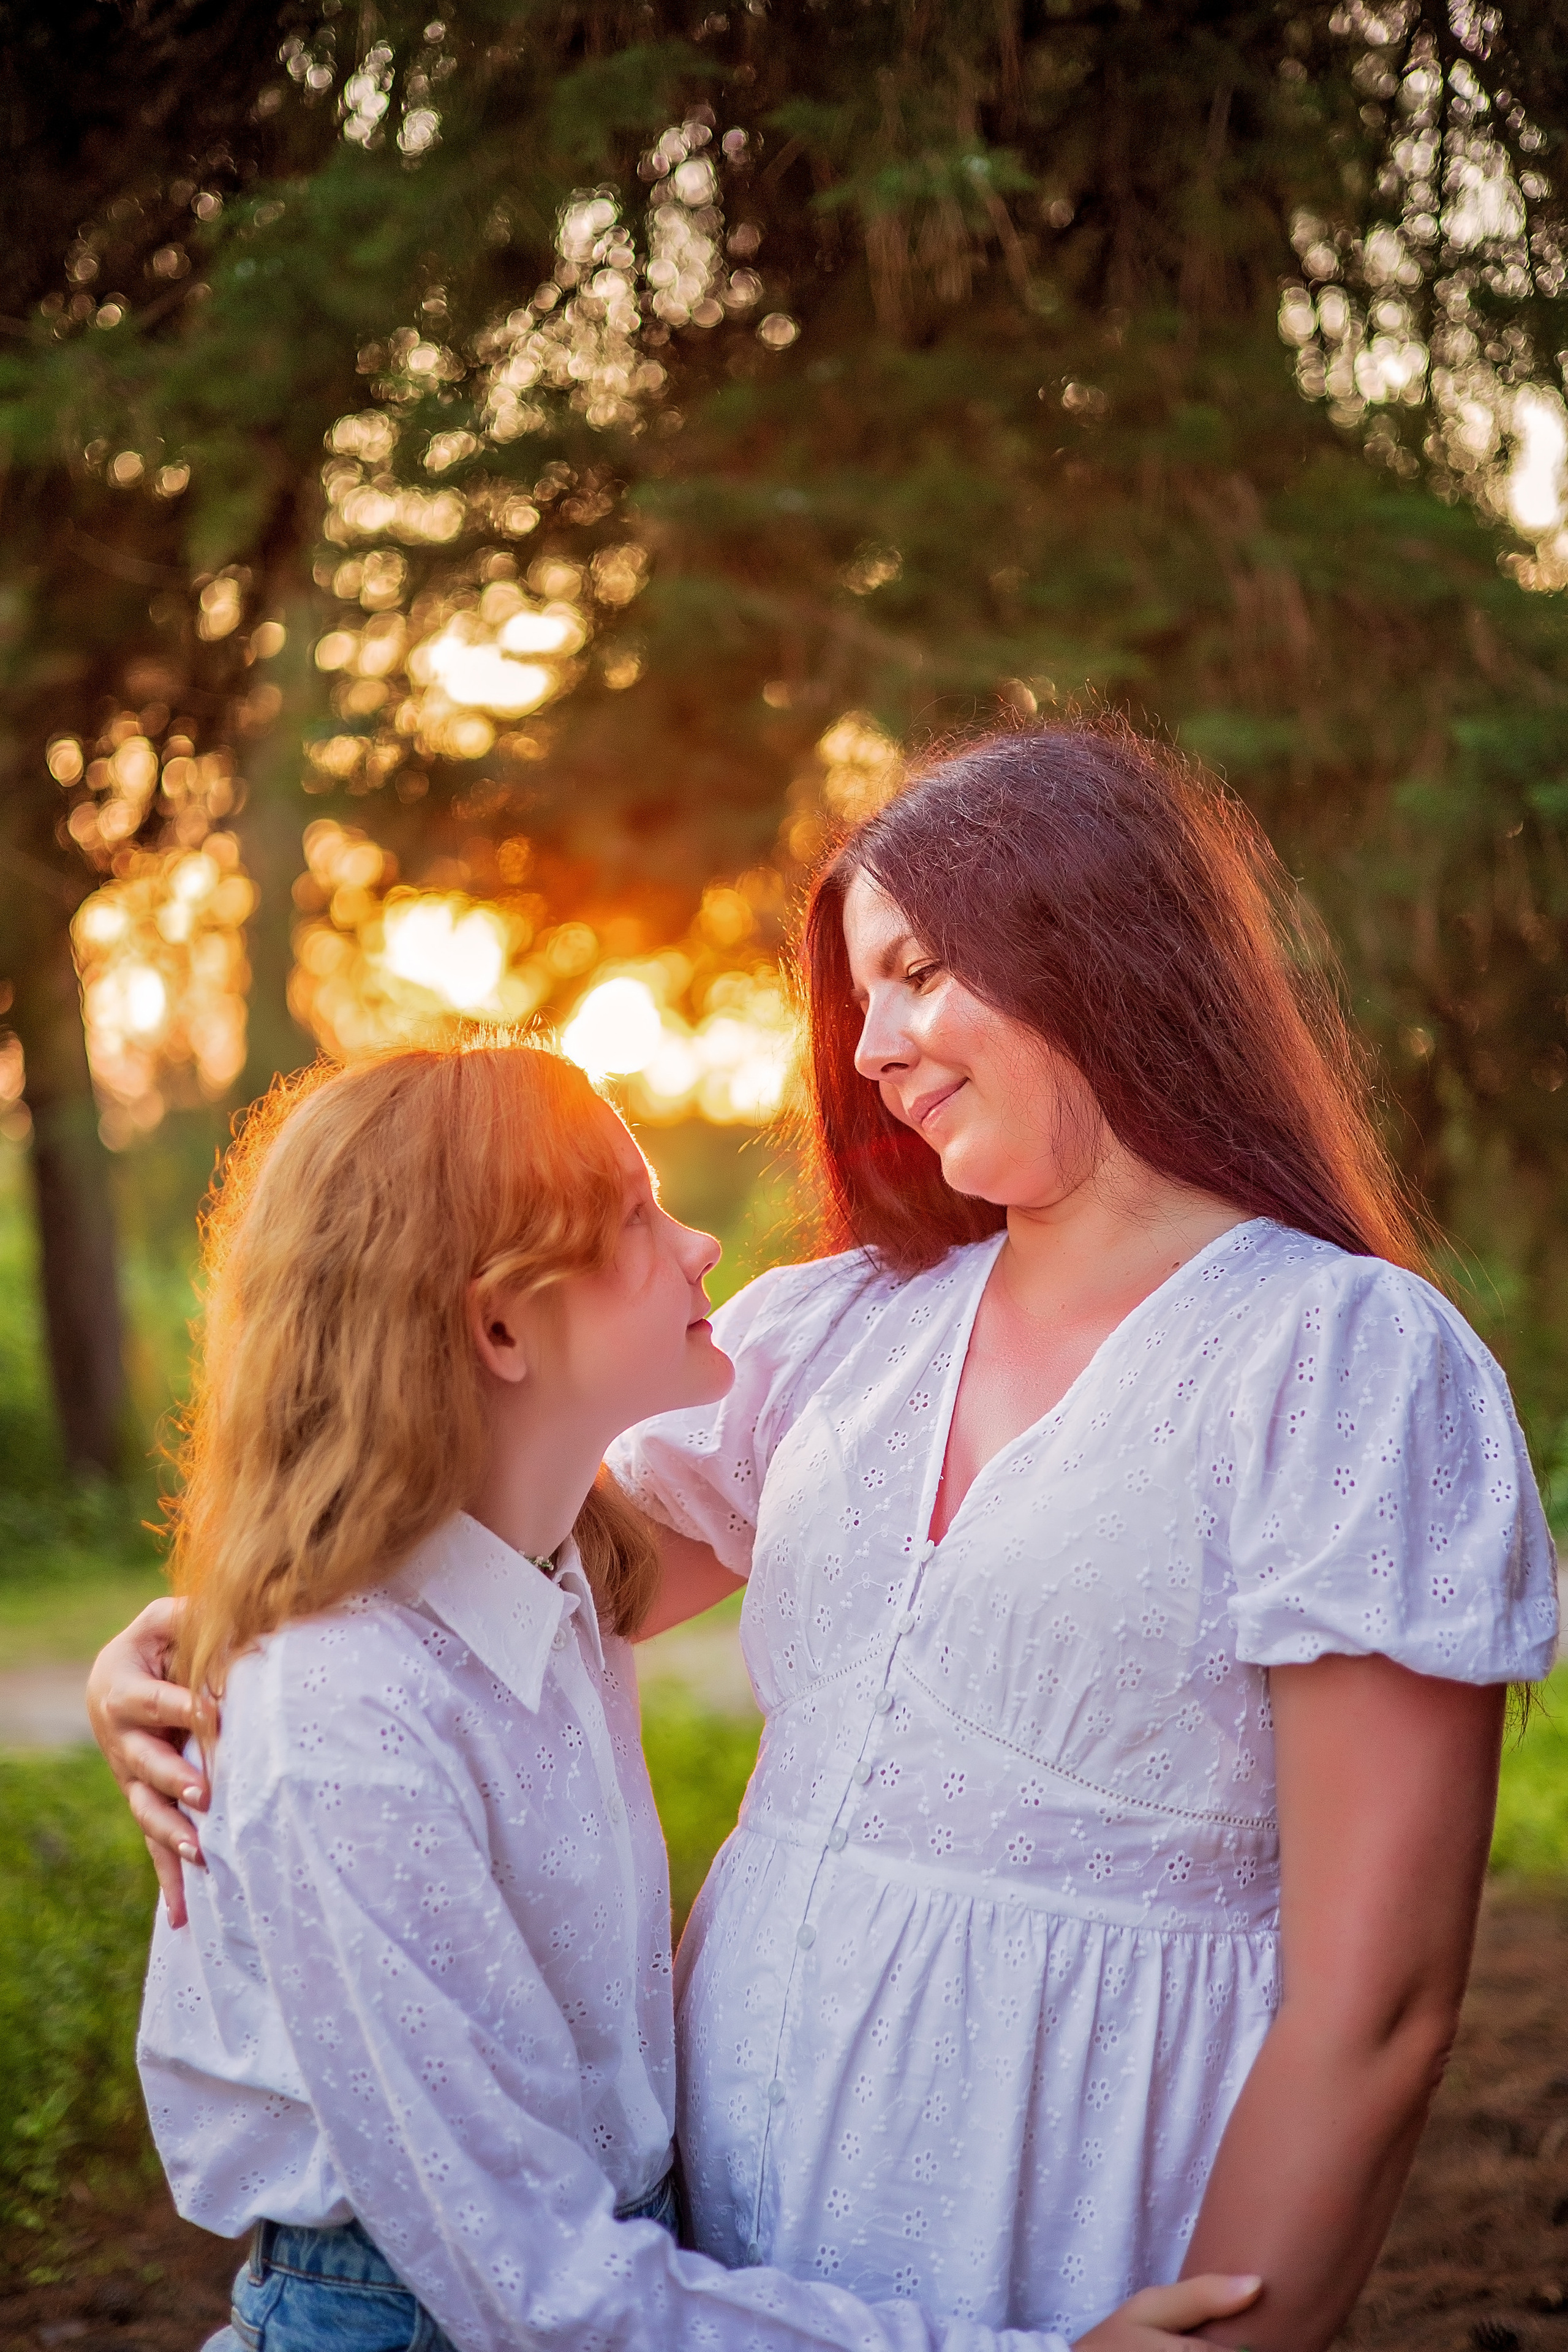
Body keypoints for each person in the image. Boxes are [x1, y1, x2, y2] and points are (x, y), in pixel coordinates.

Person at [92, 724, 1558, 2348]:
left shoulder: (1339, 1359)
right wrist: (179, 1650)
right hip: (712, 2269)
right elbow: (488, 1552)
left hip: (1075, 2205)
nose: (871, 1048)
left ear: (1101, 949)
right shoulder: (838, 1333)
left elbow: (1379, 2006)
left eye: (919, 973)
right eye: (860, 998)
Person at [124, 1033, 1254, 2352]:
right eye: (632, 1218)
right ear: (499, 1324)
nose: (702, 1245)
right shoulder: (339, 1717)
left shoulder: (549, 1588)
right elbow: (532, 2287)